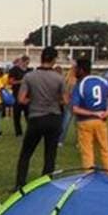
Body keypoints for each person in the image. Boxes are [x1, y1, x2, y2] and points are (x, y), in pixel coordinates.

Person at [14, 47, 66, 189]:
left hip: (36, 118)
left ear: (41, 58)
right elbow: (64, 100)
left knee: (26, 153)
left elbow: (21, 99)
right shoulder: (59, 78)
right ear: (54, 60)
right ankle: (45, 184)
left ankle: (20, 183)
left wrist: (34, 100)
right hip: (54, 118)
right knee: (50, 154)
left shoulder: (30, 77)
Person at [70, 57, 108, 171]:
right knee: (105, 151)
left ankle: (88, 176)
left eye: (76, 69)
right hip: (101, 121)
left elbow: (75, 109)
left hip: (85, 121)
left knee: (87, 152)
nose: (74, 71)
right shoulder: (102, 80)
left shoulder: (79, 85)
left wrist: (93, 113)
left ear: (81, 70)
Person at [8, 55, 29, 137]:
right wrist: (21, 81)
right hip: (17, 94)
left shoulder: (29, 70)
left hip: (28, 95)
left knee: (29, 115)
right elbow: (11, 82)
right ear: (22, 61)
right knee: (17, 115)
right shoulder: (14, 70)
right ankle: (18, 132)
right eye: (25, 62)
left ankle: (30, 131)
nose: (26, 64)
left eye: (28, 63)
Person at [58, 62, 78, 148]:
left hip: (70, 103)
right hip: (74, 103)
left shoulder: (68, 79)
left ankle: (60, 140)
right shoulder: (72, 80)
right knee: (75, 124)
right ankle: (77, 142)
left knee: (66, 123)